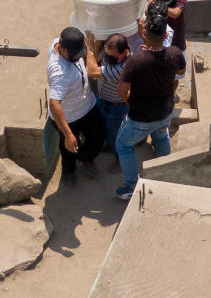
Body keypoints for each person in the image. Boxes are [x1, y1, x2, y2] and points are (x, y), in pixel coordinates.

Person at [113, 12, 187, 199]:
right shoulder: (175, 53)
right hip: (165, 111)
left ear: (145, 34)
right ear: (165, 35)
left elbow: (122, 90)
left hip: (140, 116)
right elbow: (181, 70)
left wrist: (129, 100)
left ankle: (131, 186)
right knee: (161, 138)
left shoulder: (136, 61)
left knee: (123, 145)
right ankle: (164, 176)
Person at [47, 27, 105, 186]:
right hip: (69, 116)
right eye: (73, 55)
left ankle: (86, 159)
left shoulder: (57, 44)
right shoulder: (60, 73)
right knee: (68, 147)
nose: (77, 58)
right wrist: (68, 134)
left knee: (97, 137)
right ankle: (69, 170)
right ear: (62, 48)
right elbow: (54, 104)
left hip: (87, 107)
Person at [83, 31, 130, 160]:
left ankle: (119, 160)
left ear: (124, 53)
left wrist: (90, 48)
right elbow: (98, 58)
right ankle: (108, 145)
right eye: (107, 56)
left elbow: (92, 71)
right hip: (103, 99)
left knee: (114, 137)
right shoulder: (113, 54)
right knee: (103, 129)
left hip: (116, 108)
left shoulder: (122, 69)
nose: (107, 60)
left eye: (111, 58)